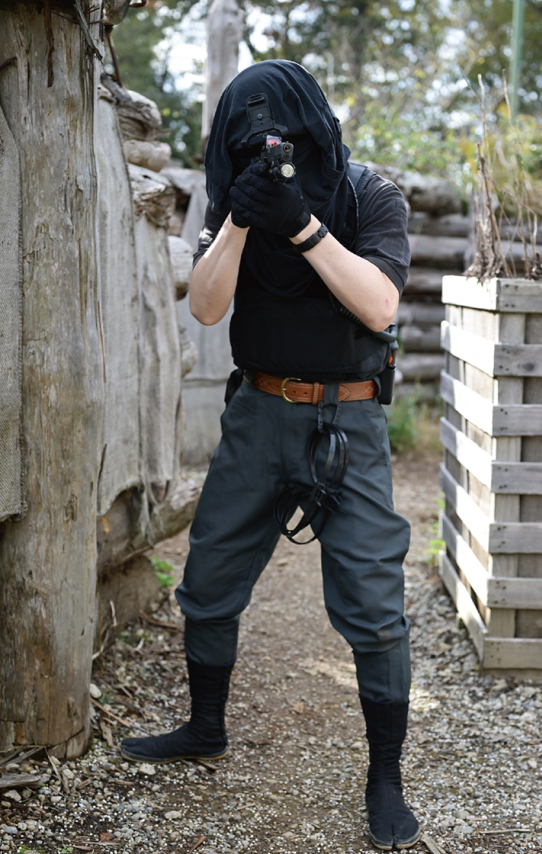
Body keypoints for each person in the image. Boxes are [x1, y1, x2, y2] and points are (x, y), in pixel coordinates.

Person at [120, 60, 420, 851]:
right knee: (209, 579)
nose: (268, 153)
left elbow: (380, 305)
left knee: (374, 607)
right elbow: (206, 306)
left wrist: (304, 226)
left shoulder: (371, 195)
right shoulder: (234, 202)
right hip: (257, 413)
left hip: (348, 421)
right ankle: (205, 727)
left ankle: (385, 778)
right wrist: (243, 221)